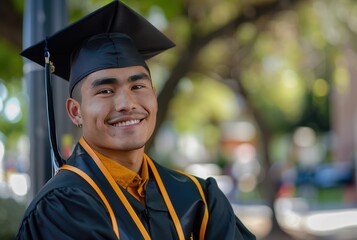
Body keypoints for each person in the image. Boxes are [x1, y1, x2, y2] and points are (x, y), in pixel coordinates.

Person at [16, 1, 255, 239]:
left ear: (154, 95)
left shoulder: (199, 198)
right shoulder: (60, 208)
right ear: (75, 111)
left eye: (138, 86)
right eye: (105, 91)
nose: (126, 103)